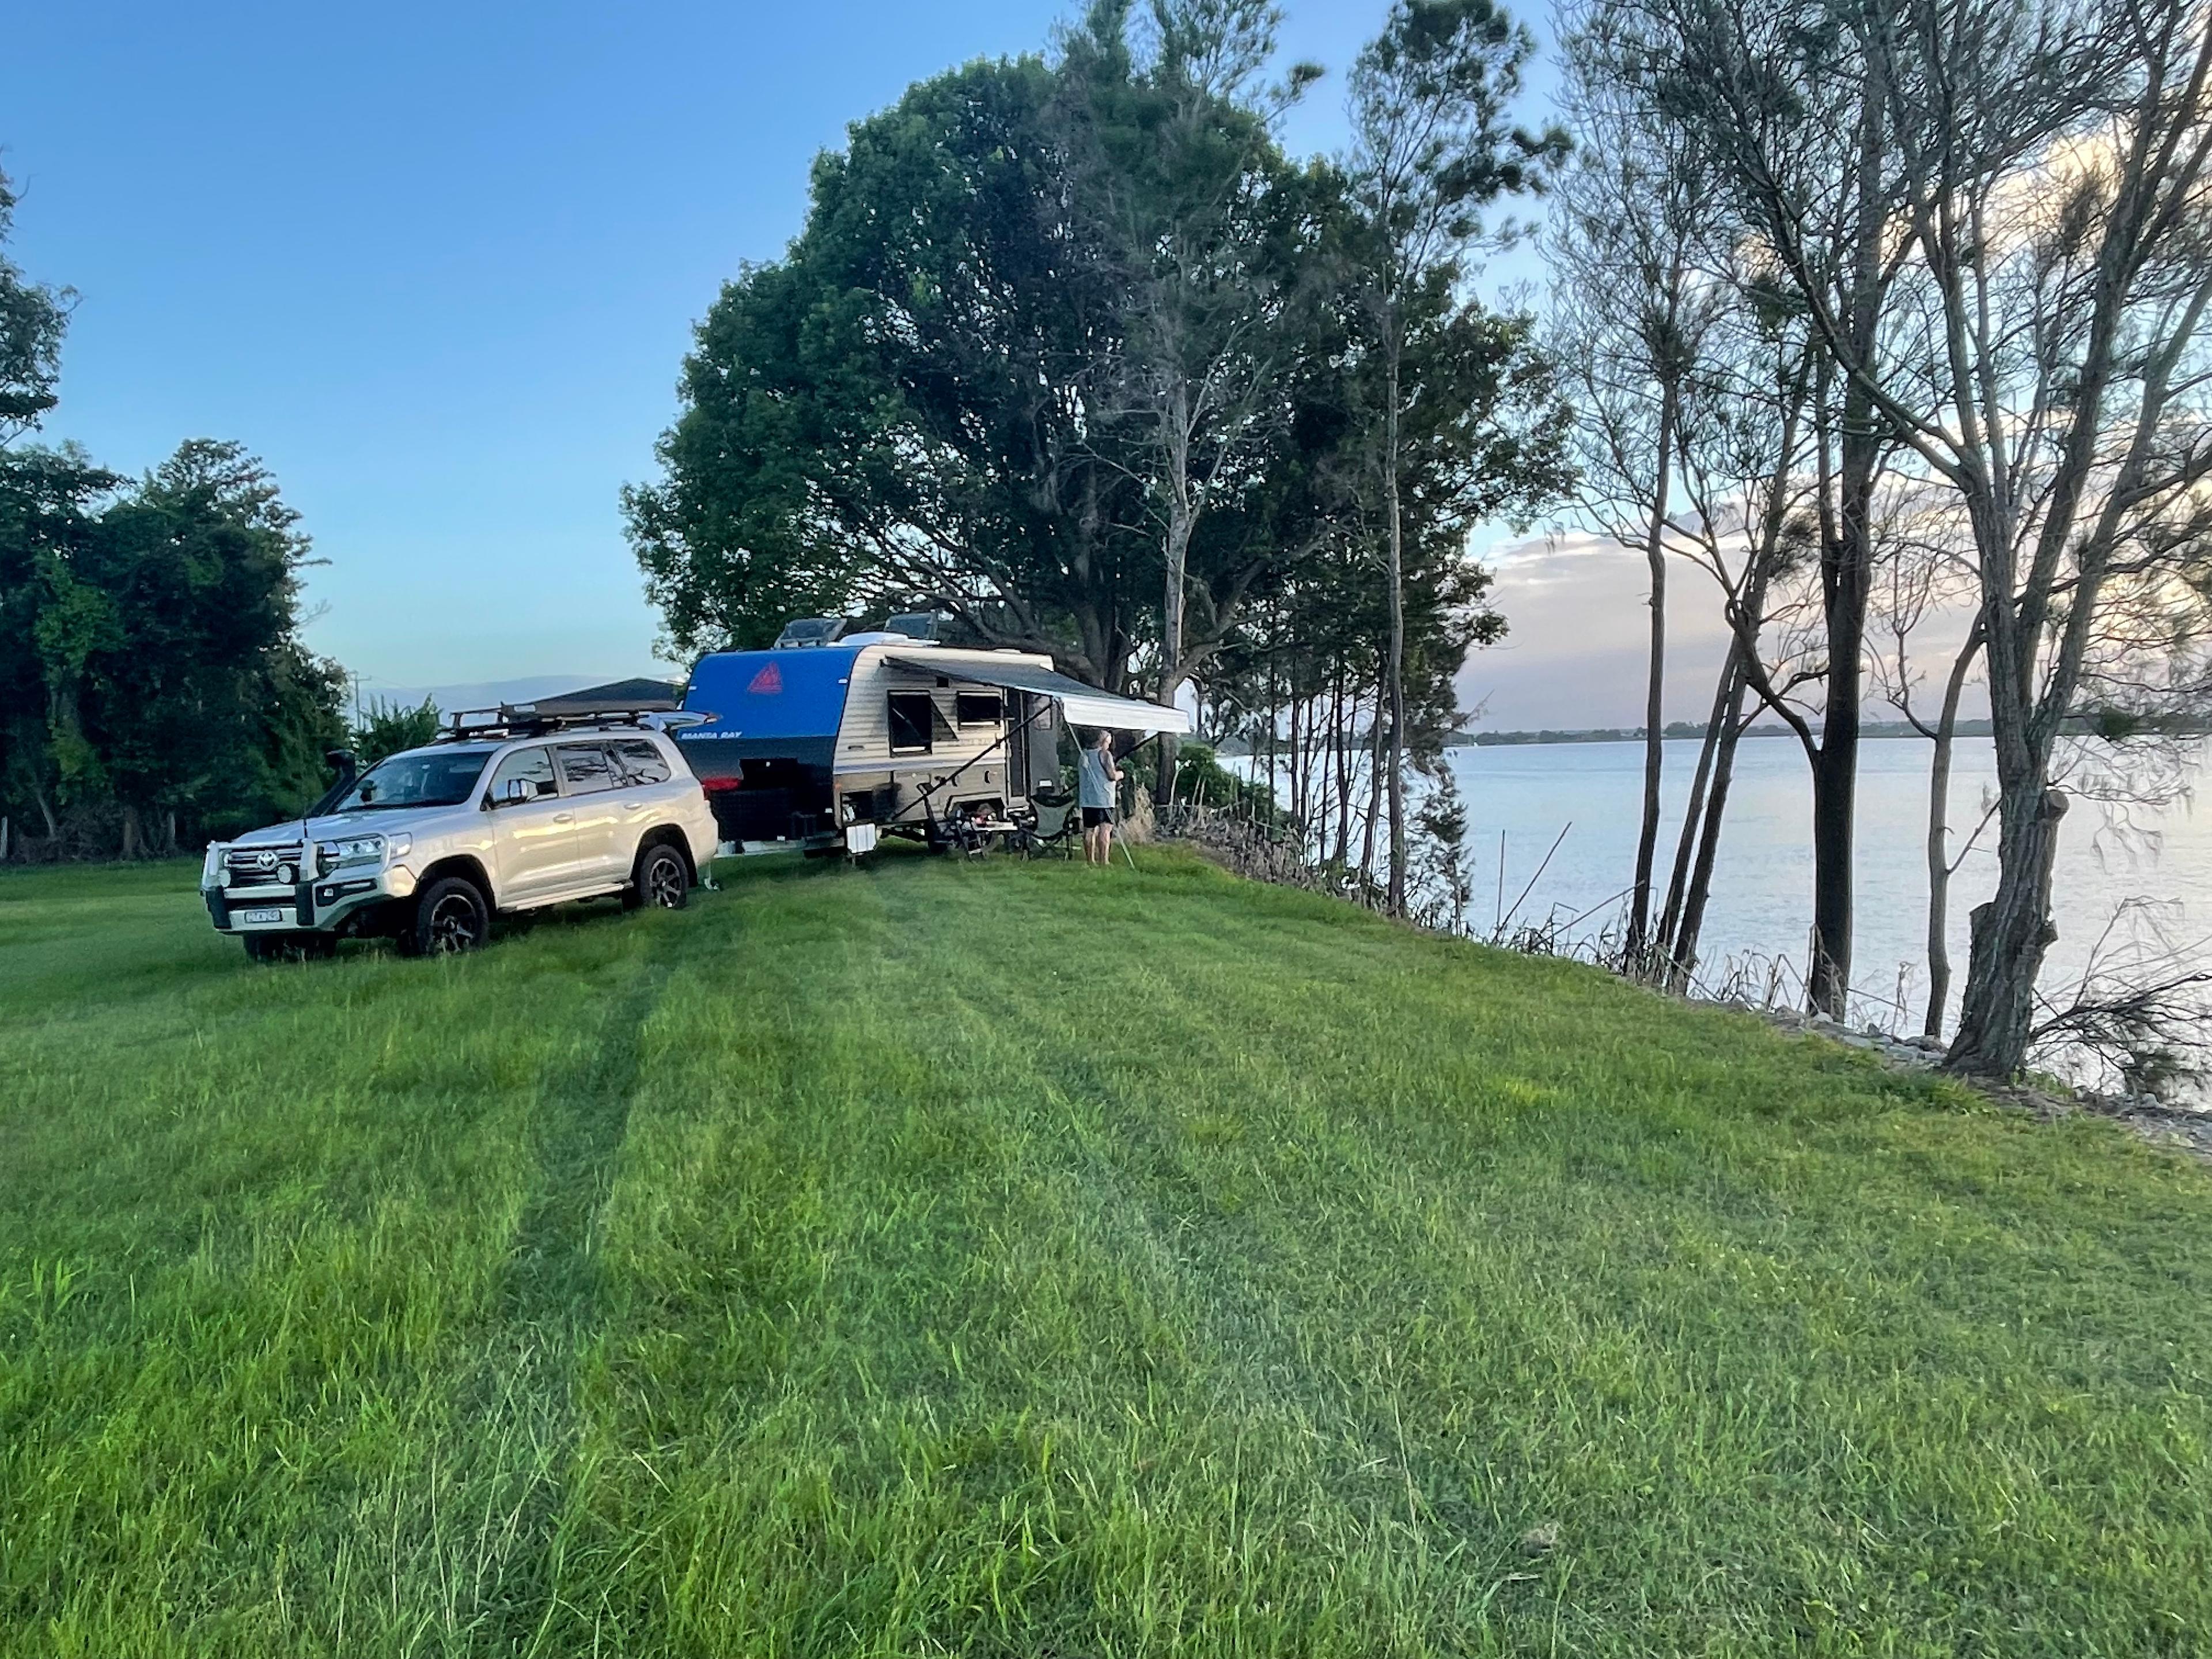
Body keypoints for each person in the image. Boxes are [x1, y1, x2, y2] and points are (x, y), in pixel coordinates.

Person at [1077, 728, 1122, 865]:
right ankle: (1104, 861)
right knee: (1105, 829)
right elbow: (1112, 775)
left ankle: (1090, 861)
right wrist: (1121, 774)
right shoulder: (1105, 755)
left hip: (1087, 799)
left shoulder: (1083, 755)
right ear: (1103, 741)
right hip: (1104, 799)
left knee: (1089, 830)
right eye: (1108, 743)